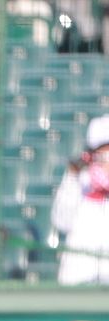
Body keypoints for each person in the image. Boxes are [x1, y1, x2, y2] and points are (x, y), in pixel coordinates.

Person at [51, 114, 109, 285]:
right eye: (102, 154)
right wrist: (72, 178)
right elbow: (61, 221)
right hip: (79, 280)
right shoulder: (78, 181)